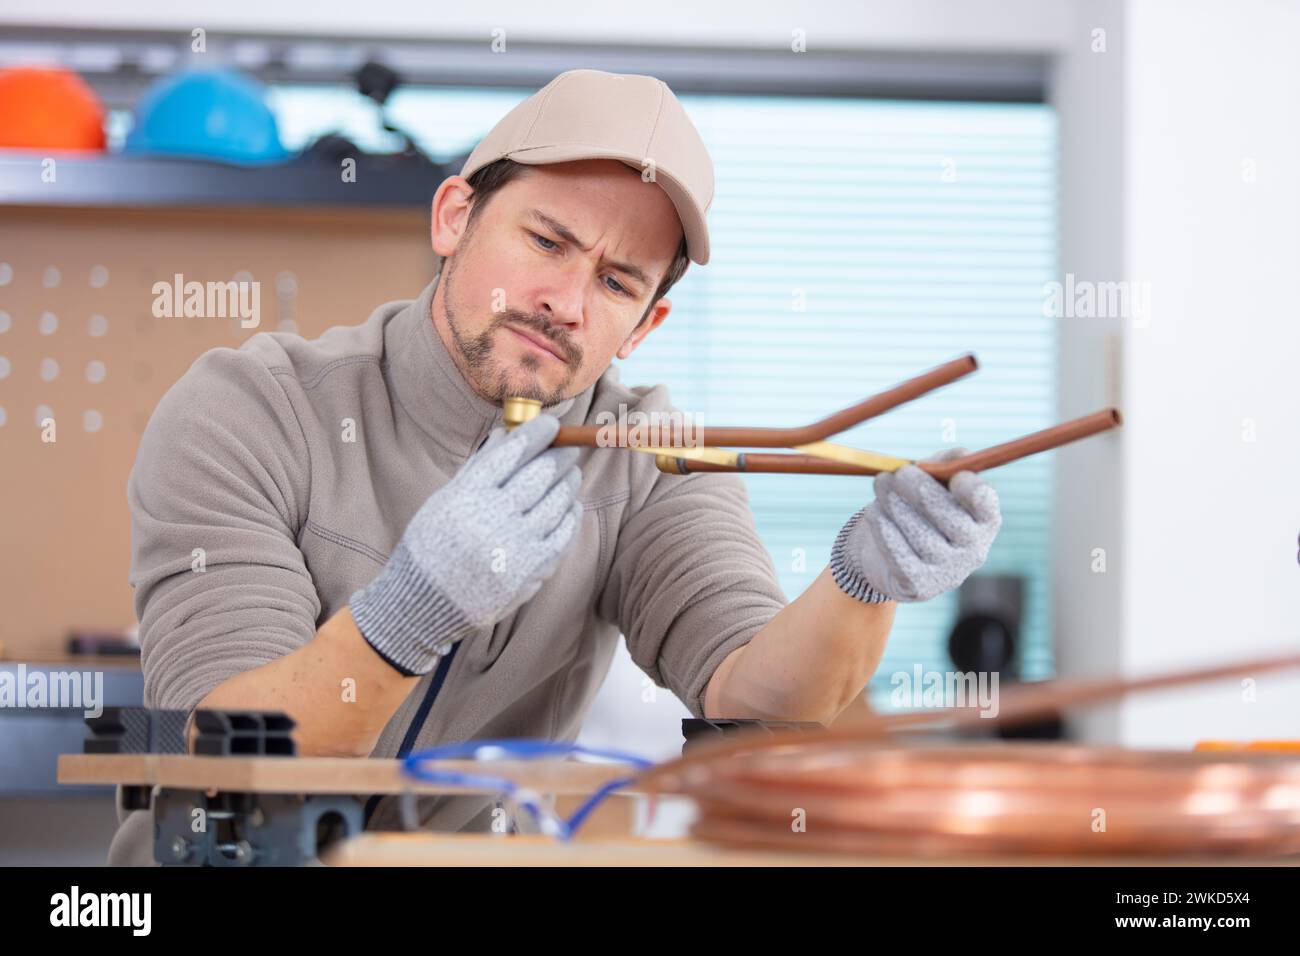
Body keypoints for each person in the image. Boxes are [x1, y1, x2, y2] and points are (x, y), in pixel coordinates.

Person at [108, 69, 1000, 864]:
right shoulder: (252, 409)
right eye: (546, 241)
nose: (566, 303)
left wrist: (865, 581)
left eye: (617, 283)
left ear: (645, 324)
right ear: (455, 217)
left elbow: (755, 702)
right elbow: (223, 758)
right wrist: (406, 614)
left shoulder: (653, 457)